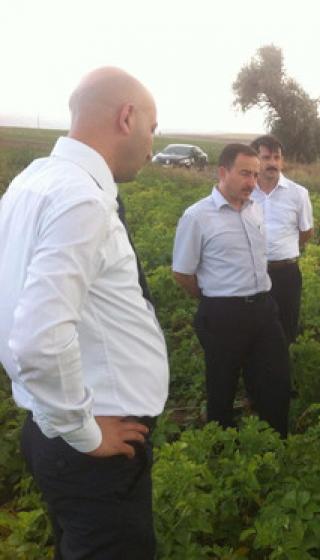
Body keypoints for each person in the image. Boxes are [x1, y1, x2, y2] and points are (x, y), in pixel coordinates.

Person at [0, 67, 169, 559]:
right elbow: (37, 339)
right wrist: (85, 433)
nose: (152, 145)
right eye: (152, 128)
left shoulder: (30, 183)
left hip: (52, 427)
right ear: (127, 117)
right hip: (91, 445)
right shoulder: (82, 201)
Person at [172, 143, 291, 437]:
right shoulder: (197, 216)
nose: (252, 182)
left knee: (275, 378)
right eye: (244, 174)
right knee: (222, 384)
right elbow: (182, 272)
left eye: (255, 174)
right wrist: (214, 297)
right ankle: (221, 447)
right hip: (223, 314)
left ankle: (275, 443)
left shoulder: (255, 210)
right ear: (223, 172)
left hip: (264, 308)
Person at [250, 135, 313, 345]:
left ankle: (281, 375)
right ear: (255, 160)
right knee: (254, 331)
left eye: (277, 157)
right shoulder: (245, 192)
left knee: (285, 333)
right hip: (251, 274)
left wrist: (283, 252)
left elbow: (306, 232)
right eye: (266, 157)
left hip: (286, 275)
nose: (272, 163)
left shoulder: (298, 194)